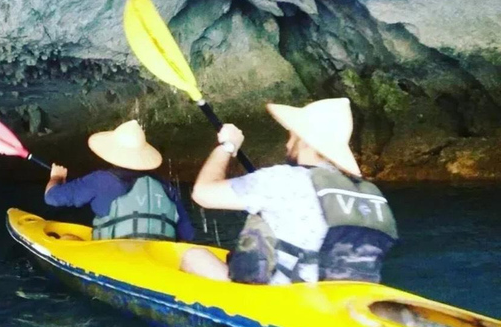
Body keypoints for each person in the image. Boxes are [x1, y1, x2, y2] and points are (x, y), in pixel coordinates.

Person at [181, 98, 397, 284]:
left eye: (292, 136)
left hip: (289, 295)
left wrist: (227, 147)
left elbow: (203, 193)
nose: (287, 144)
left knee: (194, 256)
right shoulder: (370, 192)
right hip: (341, 296)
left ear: (305, 142)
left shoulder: (283, 179)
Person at [45, 120, 194, 242]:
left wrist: (56, 177)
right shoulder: (165, 186)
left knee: (66, 239)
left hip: (116, 258)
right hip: (156, 261)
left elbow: (52, 197)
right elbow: (187, 235)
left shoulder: (101, 180)